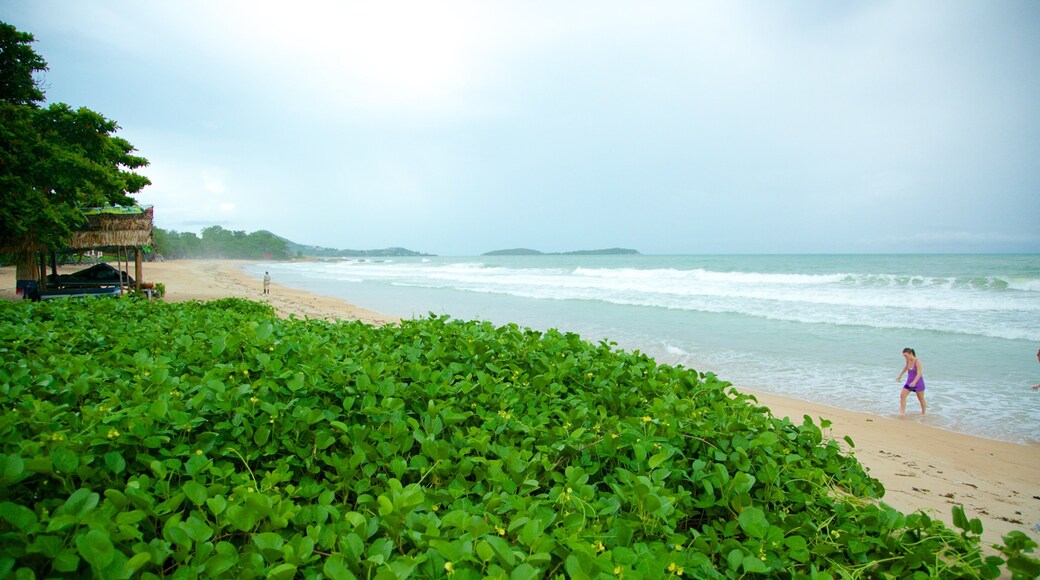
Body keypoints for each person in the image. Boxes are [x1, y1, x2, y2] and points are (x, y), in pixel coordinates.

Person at [897, 347, 926, 415]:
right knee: (902, 396)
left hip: (918, 383)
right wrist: (900, 375)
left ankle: (923, 412)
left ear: (911, 353)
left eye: (906, 356)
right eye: (904, 356)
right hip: (909, 382)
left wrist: (914, 382)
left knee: (921, 398)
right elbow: (906, 367)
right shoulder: (908, 360)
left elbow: (919, 373)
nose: (905, 357)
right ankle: (902, 413)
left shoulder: (917, 361)